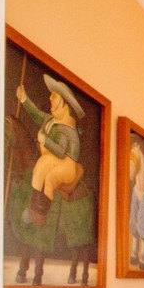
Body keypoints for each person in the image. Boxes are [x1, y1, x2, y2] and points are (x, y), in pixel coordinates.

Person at [16, 74, 85, 226]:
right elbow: (36, 114)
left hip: (67, 164)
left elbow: (60, 152)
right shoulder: (50, 120)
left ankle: (42, 213)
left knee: (50, 177)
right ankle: (33, 206)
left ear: (64, 104)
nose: (50, 99)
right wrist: (24, 99)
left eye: (54, 97)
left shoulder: (67, 130)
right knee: (41, 165)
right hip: (52, 158)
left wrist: (45, 141)